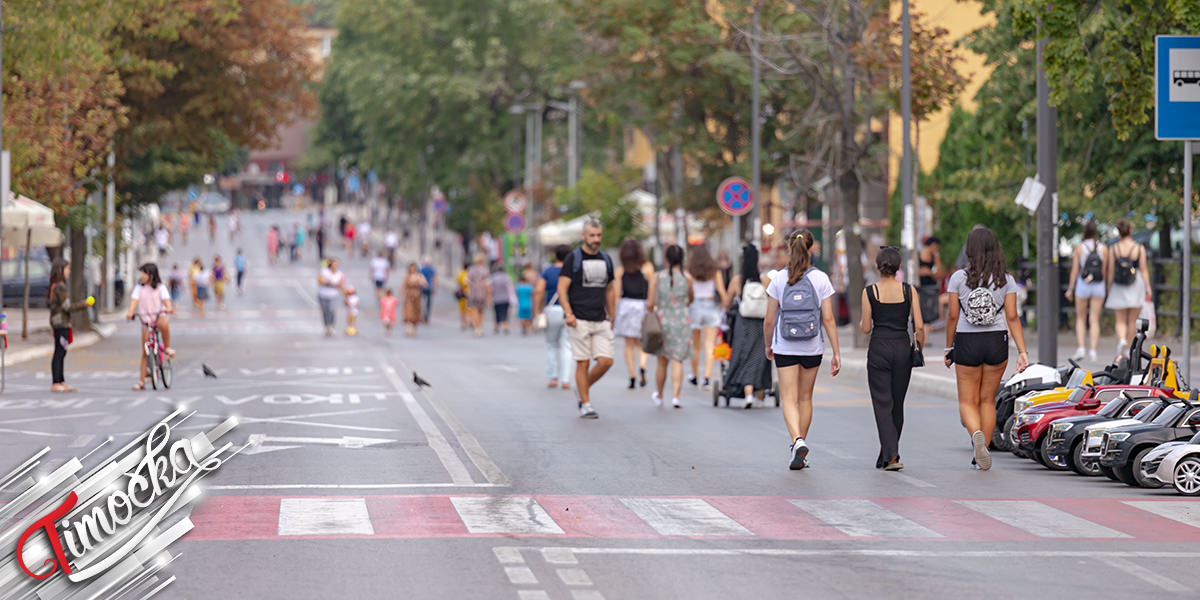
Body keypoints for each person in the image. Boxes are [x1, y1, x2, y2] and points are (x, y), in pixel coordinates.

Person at [944, 226, 1029, 471]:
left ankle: (976, 436)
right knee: (988, 400)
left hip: (967, 341)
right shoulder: (1006, 280)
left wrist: (949, 347)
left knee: (967, 401)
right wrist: (1022, 351)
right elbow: (1012, 317)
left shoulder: (958, 278)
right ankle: (982, 451)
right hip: (996, 340)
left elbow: (952, 316)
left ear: (970, 249)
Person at [764, 229, 841, 470]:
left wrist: (768, 344)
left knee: (788, 398)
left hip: (785, 346)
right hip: (812, 346)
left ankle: (797, 441)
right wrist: (836, 352)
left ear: (789, 248)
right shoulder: (821, 279)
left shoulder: (779, 279)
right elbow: (828, 319)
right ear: (811, 248)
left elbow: (769, 319)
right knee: (805, 398)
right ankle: (800, 446)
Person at [860, 247, 924, 471]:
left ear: (877, 267)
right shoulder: (909, 290)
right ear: (899, 267)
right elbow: (919, 326)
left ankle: (891, 456)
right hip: (902, 348)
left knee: (882, 403)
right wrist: (919, 347)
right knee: (897, 403)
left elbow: (866, 328)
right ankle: (887, 453)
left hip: (879, 347)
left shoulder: (869, 292)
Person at [557, 219, 616, 419]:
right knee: (583, 363)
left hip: (600, 319)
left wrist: (612, 315)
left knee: (606, 361)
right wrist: (568, 313)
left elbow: (610, 289)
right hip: (579, 318)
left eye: (598, 235)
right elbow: (562, 288)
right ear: (583, 236)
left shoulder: (606, 259)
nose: (595, 239)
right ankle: (586, 404)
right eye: (592, 235)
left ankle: (582, 387)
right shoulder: (573, 259)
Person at [723, 243, 772, 409]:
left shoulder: (737, 281)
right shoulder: (765, 280)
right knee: (760, 357)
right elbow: (774, 301)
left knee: (743, 355)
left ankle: (747, 393)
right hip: (761, 323)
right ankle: (760, 395)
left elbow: (727, 303)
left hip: (743, 324)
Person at [646, 244, 692, 408]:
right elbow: (690, 298)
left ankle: (659, 395)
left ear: (666, 258)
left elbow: (650, 303)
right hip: (681, 321)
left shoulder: (657, 277)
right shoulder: (687, 277)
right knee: (677, 360)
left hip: (663, 321)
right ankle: (676, 397)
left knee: (662, 361)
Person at [1104, 218, 1152, 356]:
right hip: (1135, 283)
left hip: (1119, 284)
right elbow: (1143, 269)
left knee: (1120, 319)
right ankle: (1129, 347)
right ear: (1130, 231)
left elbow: (1110, 270)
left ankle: (1121, 339)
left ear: (1119, 233)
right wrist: (1148, 287)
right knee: (1132, 320)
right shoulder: (1138, 248)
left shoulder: (1114, 249)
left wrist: (1108, 286)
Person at [126, 263, 176, 391]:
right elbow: (134, 301)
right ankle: (141, 381)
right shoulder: (139, 288)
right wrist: (130, 312)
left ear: (151, 275)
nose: (142, 276)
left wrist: (168, 308)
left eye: (144, 273)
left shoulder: (160, 288)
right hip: (146, 321)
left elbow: (166, 301)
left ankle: (167, 347)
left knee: (164, 322)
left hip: (158, 317)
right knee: (145, 351)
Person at [613, 238, 654, 389]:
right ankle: (642, 366)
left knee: (628, 344)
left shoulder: (620, 270)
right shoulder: (647, 267)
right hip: (642, 305)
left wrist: (614, 312)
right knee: (642, 342)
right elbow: (652, 287)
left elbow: (617, 293)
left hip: (626, 305)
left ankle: (632, 375)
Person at [687, 243, 728, 389]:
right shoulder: (714, 271)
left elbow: (688, 292)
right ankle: (706, 378)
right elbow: (722, 292)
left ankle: (695, 376)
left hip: (695, 306)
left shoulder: (690, 271)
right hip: (710, 306)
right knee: (710, 343)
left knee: (695, 345)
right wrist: (726, 307)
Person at [47, 258, 90, 392]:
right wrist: (85, 304)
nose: (69, 271)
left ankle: (61, 381)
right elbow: (67, 307)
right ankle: (56, 382)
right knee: (59, 352)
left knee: (61, 352)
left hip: (59, 323)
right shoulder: (59, 287)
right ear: (61, 270)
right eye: (67, 269)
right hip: (61, 323)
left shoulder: (56, 285)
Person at [1066, 221, 1107, 362]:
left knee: (1081, 318)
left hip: (1083, 284)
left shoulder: (1079, 248)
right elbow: (1104, 270)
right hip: (1098, 284)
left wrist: (1070, 288)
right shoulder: (1103, 248)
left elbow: (1075, 270)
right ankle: (1093, 350)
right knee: (1094, 319)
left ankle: (1081, 348)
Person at [535, 245, 572, 390]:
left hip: (552, 310)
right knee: (567, 346)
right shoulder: (572, 271)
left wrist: (537, 310)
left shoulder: (548, 271)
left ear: (555, 256)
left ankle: (553, 377)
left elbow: (539, 290)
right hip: (569, 310)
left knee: (551, 345)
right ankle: (566, 380)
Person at [917, 236, 943, 337]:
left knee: (930, 311)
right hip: (920, 287)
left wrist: (930, 273)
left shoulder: (934, 257)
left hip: (931, 287)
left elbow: (939, 274)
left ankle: (926, 337)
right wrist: (920, 272)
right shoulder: (917, 255)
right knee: (921, 310)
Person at [318, 258, 347, 336]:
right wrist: (329, 283)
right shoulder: (324, 271)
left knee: (332, 310)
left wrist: (346, 297)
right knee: (325, 311)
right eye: (334, 264)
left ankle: (331, 326)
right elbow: (320, 281)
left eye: (337, 264)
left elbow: (341, 285)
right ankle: (327, 326)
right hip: (323, 294)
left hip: (333, 295)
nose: (335, 266)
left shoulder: (340, 274)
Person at [465, 254, 492, 337]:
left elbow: (466, 282)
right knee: (481, 311)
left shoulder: (471, 270)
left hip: (473, 293)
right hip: (482, 293)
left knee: (474, 311)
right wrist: (488, 296)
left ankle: (476, 328)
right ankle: (480, 327)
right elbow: (488, 284)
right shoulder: (485, 270)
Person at [403, 262, 428, 336]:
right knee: (409, 311)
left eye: (413, 268)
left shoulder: (419, 276)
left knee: (416, 311)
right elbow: (403, 286)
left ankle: (415, 328)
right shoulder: (408, 276)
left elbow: (425, 285)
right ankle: (409, 328)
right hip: (409, 295)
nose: (412, 269)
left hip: (417, 295)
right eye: (411, 268)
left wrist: (420, 283)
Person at [491, 263, 515, 335]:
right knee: (505, 311)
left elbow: (490, 288)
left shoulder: (493, 277)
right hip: (505, 297)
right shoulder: (507, 277)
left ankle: (497, 325)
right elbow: (511, 288)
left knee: (497, 311)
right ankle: (505, 325)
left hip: (496, 297)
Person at [516, 269, 534, 335]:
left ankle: (524, 327)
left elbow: (516, 295)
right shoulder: (529, 287)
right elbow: (532, 294)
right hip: (528, 303)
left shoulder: (518, 287)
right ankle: (527, 326)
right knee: (528, 316)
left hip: (521, 303)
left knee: (522, 317)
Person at [419, 256, 436, 323]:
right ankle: (427, 316)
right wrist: (434, 288)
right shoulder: (432, 269)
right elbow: (434, 279)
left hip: (422, 287)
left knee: (422, 302)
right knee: (428, 303)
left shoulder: (422, 269)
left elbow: (419, 277)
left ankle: (422, 315)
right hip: (429, 287)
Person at [456, 262, 471, 331]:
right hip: (468, 293)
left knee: (462, 309)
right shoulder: (469, 274)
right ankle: (469, 321)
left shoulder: (460, 274)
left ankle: (463, 323)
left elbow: (458, 283)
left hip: (461, 293)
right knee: (469, 309)